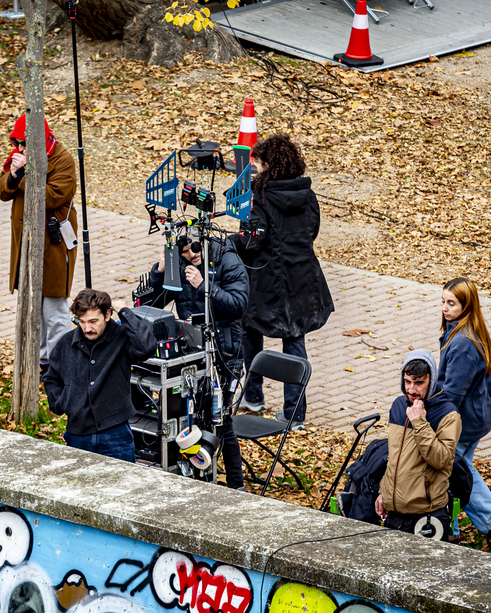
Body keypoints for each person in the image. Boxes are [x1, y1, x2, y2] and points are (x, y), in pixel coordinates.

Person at [233, 134, 334, 430]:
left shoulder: (259, 196)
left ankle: (253, 396)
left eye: (261, 165)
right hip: (303, 278)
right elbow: (312, 230)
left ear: (269, 166)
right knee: (294, 341)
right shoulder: (307, 194)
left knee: (250, 330)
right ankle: (295, 414)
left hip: (266, 280)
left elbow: (252, 239)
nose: (258, 170)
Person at [146, 233, 249, 490]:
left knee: (220, 419)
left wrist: (205, 286)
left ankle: (236, 484)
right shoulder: (178, 266)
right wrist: (160, 272)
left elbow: (239, 304)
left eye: (195, 248)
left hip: (225, 354)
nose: (192, 255)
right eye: (184, 253)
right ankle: (196, 475)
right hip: (191, 353)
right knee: (187, 416)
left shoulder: (226, 259)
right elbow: (151, 305)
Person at [0, 114, 79, 367]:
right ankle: (43, 362)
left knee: (55, 310)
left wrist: (22, 175)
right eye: (17, 143)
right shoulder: (18, 156)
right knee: (35, 307)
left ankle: (62, 364)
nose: (19, 149)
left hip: (53, 244)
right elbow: (2, 190)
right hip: (27, 242)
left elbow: (52, 197)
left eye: (24, 144)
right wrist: (12, 174)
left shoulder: (63, 160)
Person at [436, 277, 491, 543]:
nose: (445, 308)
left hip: (464, 421)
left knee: (449, 470)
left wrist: (436, 422)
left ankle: (486, 519)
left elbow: (453, 392)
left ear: (466, 305)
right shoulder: (465, 330)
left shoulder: (463, 342)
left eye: (451, 303)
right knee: (458, 468)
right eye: (443, 301)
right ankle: (483, 520)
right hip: (474, 417)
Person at [44, 289, 157, 462]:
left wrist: (125, 312)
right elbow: (52, 378)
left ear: (107, 315)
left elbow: (147, 346)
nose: (87, 328)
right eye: (82, 322)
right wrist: (62, 402)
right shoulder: (67, 343)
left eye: (93, 321)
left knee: (123, 487)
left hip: (116, 434)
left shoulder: (121, 337)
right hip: (77, 434)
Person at [376, 350, 462, 539]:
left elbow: (441, 460)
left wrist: (420, 423)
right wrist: (385, 492)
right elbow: (395, 457)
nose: (412, 389)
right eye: (407, 382)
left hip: (427, 516)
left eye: (419, 383)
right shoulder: (399, 405)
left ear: (432, 380)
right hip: (395, 513)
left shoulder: (449, 415)